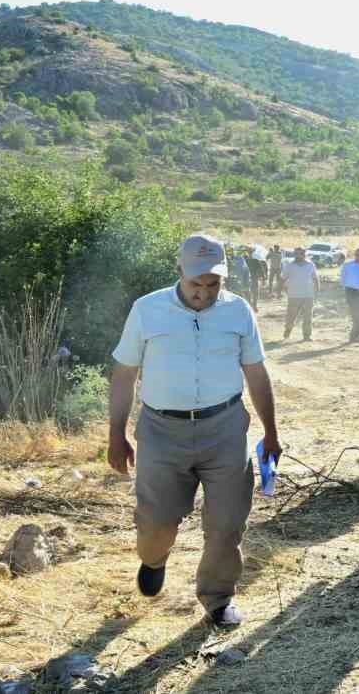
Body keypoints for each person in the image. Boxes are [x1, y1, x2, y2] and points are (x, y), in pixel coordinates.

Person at [107, 233, 283, 628]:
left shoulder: (238, 311)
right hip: (161, 431)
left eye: (213, 284)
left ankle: (218, 597)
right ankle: (154, 558)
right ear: (179, 272)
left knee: (227, 523)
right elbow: (124, 373)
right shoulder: (147, 309)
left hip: (225, 429)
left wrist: (271, 432)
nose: (204, 293)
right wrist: (116, 433)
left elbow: (256, 372)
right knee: (156, 521)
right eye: (195, 284)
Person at [281, 247, 319, 341]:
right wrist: (280, 290)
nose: (297, 255)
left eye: (300, 253)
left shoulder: (310, 264)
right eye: (296, 254)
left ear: (304, 254)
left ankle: (307, 335)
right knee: (291, 316)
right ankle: (288, 331)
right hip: (294, 295)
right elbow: (283, 279)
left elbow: (315, 278)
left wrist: (317, 289)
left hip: (308, 295)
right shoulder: (290, 265)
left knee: (308, 317)